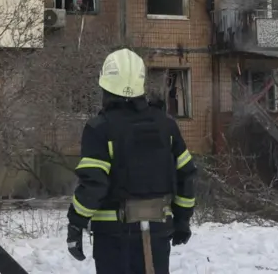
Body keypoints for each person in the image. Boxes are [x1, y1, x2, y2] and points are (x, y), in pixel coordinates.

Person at [66, 49, 197, 274]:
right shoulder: (166, 126)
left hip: (114, 239)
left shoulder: (100, 129)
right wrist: (182, 219)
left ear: (105, 85)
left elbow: (94, 184)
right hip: (157, 234)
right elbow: (186, 174)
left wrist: (76, 223)